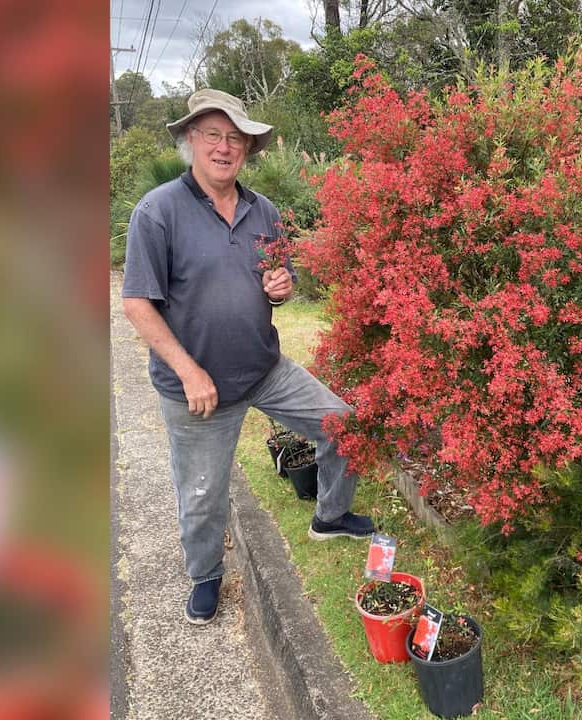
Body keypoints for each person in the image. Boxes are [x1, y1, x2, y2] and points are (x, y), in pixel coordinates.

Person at [121, 89, 375, 625]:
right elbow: (137, 303)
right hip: (198, 384)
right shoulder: (158, 211)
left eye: (235, 138)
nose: (224, 146)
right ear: (191, 139)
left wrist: (282, 286)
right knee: (202, 495)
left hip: (264, 369)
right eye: (212, 134)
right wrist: (188, 371)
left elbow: (279, 276)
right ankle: (206, 574)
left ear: (247, 149)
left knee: (343, 424)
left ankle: (329, 516)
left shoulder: (265, 210)